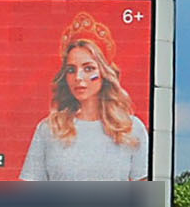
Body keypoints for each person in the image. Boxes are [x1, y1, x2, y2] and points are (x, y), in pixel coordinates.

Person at [19, 14, 149, 182]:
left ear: (103, 72)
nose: (78, 77)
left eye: (88, 69)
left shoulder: (131, 128)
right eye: (72, 70)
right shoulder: (49, 129)